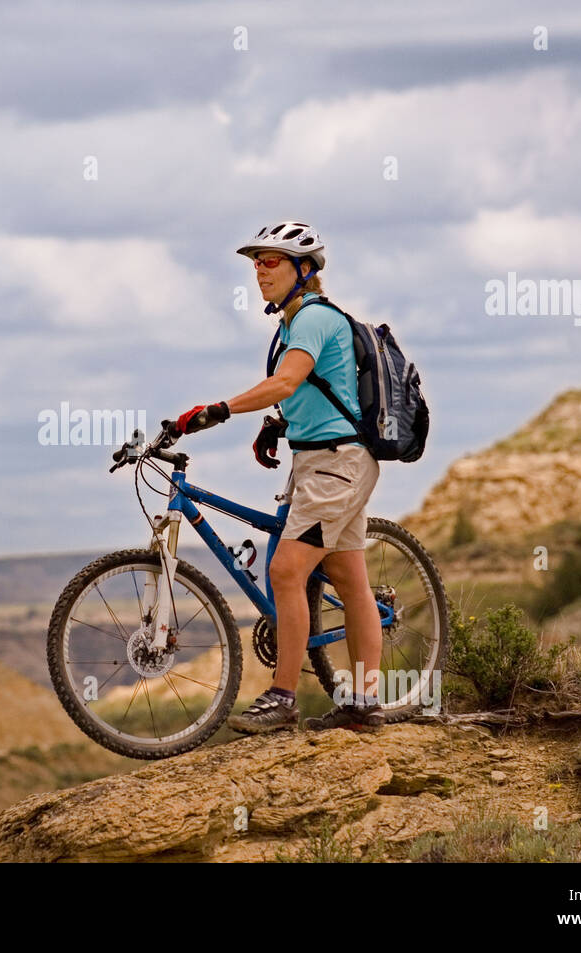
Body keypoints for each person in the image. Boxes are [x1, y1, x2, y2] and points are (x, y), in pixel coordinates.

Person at [166, 221, 384, 734]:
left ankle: (283, 697)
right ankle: (367, 703)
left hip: (337, 464)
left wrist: (219, 409)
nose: (259, 272)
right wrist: (277, 424)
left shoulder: (312, 317)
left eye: (271, 261)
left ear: (303, 270)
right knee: (352, 583)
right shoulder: (291, 324)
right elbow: (308, 392)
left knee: (286, 571)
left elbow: (286, 380)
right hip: (321, 459)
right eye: (255, 263)